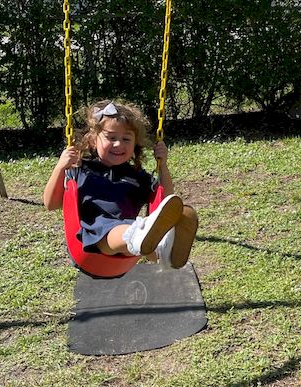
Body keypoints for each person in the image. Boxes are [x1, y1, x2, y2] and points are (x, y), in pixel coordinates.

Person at [43, 99, 198, 267]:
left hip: (130, 238)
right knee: (114, 228)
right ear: (94, 140)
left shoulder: (137, 177)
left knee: (135, 231)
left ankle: (164, 252)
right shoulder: (81, 171)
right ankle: (146, 238)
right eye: (111, 137)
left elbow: (166, 200)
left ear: (135, 143)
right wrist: (60, 167)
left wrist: (163, 166)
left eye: (126, 139)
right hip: (96, 239)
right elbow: (51, 204)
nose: (118, 144)